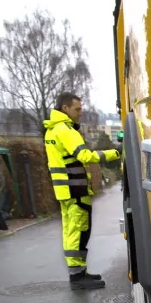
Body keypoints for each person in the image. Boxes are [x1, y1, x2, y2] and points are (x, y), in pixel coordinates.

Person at [43, 92, 120, 290]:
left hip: (66, 190)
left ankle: (79, 272)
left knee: (72, 231)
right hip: (75, 188)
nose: (80, 113)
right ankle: (77, 277)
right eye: (77, 109)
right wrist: (115, 153)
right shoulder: (65, 130)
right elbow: (85, 156)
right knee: (79, 231)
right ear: (65, 108)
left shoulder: (52, 130)